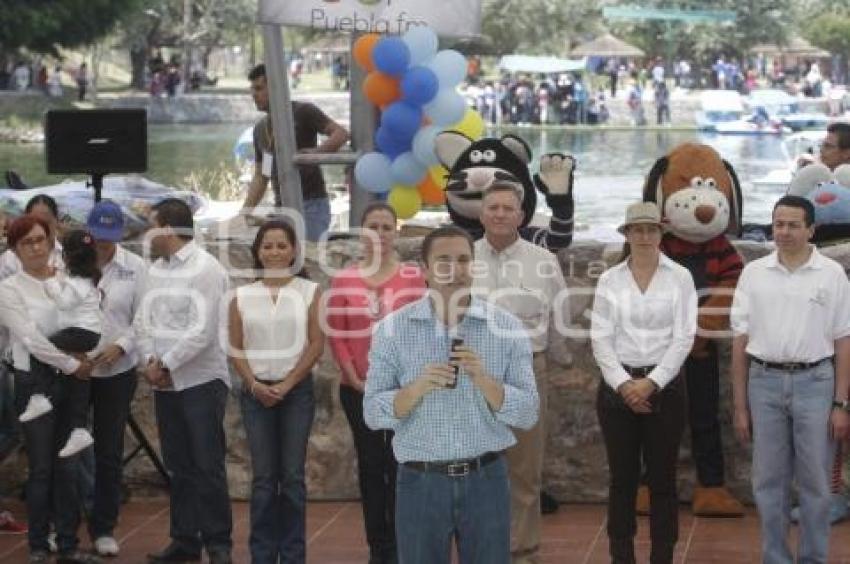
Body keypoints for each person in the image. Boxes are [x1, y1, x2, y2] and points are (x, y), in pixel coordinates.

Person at [364, 226, 539, 564]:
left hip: (486, 479)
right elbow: (372, 412)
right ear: (425, 270)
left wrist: (485, 381)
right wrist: (415, 389)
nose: (455, 270)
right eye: (444, 261)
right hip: (420, 481)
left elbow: (528, 412)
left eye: (463, 260)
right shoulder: (391, 330)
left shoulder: (506, 328)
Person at [731, 195, 850, 564]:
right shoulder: (754, 273)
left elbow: (843, 340)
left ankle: (813, 558)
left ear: (811, 229)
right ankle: (776, 558)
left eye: (793, 225)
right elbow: (740, 341)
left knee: (816, 482)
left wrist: (841, 403)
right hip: (763, 383)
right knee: (768, 482)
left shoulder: (831, 274)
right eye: (778, 224)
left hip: (816, 384)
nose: (783, 231)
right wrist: (740, 406)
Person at [591, 202, 697, 564]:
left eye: (651, 229)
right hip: (616, 389)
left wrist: (652, 382)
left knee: (663, 480)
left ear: (661, 234)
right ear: (627, 234)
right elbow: (600, 338)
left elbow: (684, 337)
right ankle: (621, 556)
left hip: (666, 389)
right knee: (622, 479)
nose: (645, 236)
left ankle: (662, 556)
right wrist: (625, 385)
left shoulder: (680, 277)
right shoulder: (610, 279)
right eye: (637, 229)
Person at [471, 184, 568, 564]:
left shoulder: (544, 261)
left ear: (521, 216)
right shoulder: (464, 258)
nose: (500, 214)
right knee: (476, 466)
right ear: (481, 214)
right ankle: (481, 549)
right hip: (475, 373)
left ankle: (524, 551)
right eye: (493, 207)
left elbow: (559, 316)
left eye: (507, 208)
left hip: (527, 371)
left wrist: (555, 362)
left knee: (525, 470)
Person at [133, 198, 233, 564]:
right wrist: (150, 362)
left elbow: (202, 331)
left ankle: (218, 544)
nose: (147, 235)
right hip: (166, 382)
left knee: (207, 465)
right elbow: (141, 321)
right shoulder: (153, 271)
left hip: (200, 380)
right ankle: (185, 539)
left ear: (168, 229)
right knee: (178, 465)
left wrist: (166, 365)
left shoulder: (206, 269)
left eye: (151, 227)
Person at [327, 203, 427, 564]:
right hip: (358, 387)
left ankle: (401, 543)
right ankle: (378, 547)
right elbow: (337, 332)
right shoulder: (344, 280)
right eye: (373, 226)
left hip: (403, 389)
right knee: (371, 466)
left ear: (396, 232)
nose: (380, 234)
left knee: (400, 464)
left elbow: (423, 329)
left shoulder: (413, 277)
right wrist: (352, 375)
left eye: (387, 227)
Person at [0, 215, 101, 564]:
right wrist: (74, 364)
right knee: (42, 467)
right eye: (26, 242)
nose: (35, 247)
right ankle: (39, 545)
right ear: (15, 250)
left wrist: (85, 359)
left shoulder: (67, 280)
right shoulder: (9, 288)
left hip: (70, 380)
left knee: (68, 465)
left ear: (50, 240)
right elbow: (30, 339)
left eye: (40, 239)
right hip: (35, 383)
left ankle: (69, 545)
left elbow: (89, 322)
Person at [227, 219, 323, 564]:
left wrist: (288, 383)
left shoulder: (309, 292)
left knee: (293, 477)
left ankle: (294, 555)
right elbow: (235, 348)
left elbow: (316, 344)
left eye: (282, 245)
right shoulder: (241, 296)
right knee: (264, 478)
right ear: (258, 251)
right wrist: (254, 384)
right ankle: (263, 554)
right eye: (267, 246)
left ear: (294, 250)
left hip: (295, 392)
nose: (275, 252)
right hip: (255, 394)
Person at [85, 201, 146, 557]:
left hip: (116, 372)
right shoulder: (71, 261)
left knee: (108, 451)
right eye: (98, 235)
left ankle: (103, 526)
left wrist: (121, 346)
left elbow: (144, 317)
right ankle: (63, 524)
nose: (104, 243)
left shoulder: (136, 268)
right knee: (68, 446)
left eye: (110, 236)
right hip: (76, 370)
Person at [18, 230, 102, 460]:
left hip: (80, 333)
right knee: (78, 376)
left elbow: (64, 303)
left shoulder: (77, 282)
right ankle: (78, 429)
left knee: (38, 348)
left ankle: (40, 397)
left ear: (67, 256)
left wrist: (49, 282)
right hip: (87, 335)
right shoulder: (86, 280)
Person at [244, 64, 349, 241]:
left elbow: (341, 133)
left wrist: (318, 152)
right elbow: (262, 176)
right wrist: (244, 212)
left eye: (259, 88)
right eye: (252, 89)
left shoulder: (302, 112)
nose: (254, 94)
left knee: (308, 254)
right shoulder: (260, 129)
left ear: (276, 88)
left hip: (311, 205)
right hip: (281, 208)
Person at [0, 195, 64, 279]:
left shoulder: (68, 255)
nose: (42, 228)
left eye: (46, 223)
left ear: (57, 220)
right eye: (35, 223)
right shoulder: (9, 259)